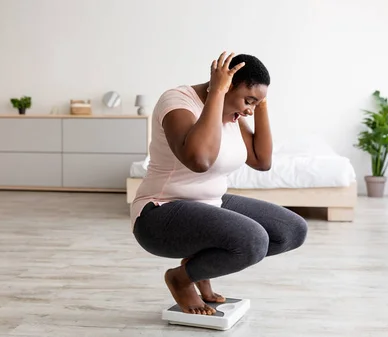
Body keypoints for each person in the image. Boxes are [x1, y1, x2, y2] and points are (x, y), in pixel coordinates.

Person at [130, 52, 308, 316]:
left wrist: (259, 105)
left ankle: (199, 267)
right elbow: (199, 160)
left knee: (292, 230)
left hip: (212, 204)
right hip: (160, 212)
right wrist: (216, 93)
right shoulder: (178, 101)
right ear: (227, 85)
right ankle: (181, 278)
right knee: (253, 240)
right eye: (247, 101)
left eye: (255, 104)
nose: (248, 110)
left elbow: (262, 160)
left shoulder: (232, 114)